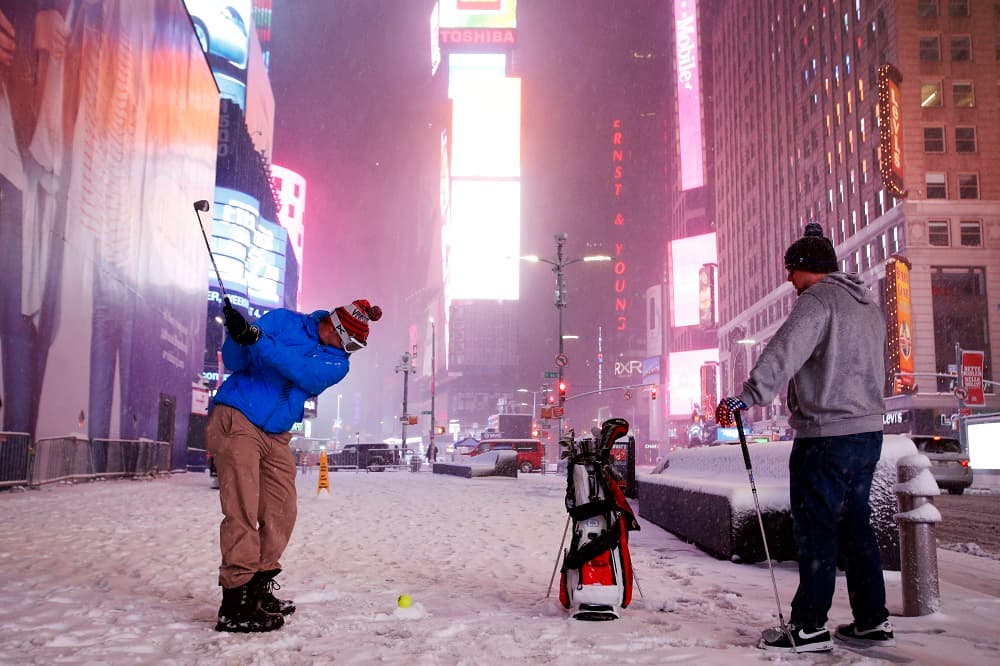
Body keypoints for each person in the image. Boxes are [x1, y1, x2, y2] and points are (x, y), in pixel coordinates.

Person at [715, 223, 891, 654]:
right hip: (867, 434)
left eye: (792, 271)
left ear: (810, 269)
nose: (788, 280)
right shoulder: (866, 303)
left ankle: (810, 625)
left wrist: (747, 397)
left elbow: (784, 349)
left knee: (816, 530)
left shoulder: (817, 301)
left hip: (826, 436)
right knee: (856, 526)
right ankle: (873, 620)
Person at [206, 298, 382, 633]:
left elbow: (300, 371)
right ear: (336, 327)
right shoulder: (285, 321)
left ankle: (259, 590)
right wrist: (237, 334)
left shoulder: (337, 364)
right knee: (242, 507)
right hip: (238, 415)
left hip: (277, 433)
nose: (351, 352)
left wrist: (258, 339)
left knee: (282, 510)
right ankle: (236, 602)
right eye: (351, 343)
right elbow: (235, 361)